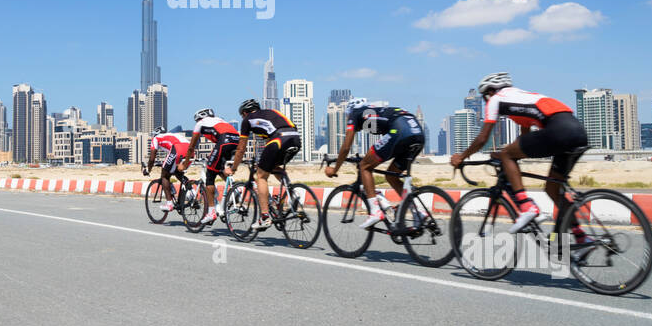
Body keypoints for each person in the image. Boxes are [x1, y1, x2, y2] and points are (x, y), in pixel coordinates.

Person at [450, 72, 592, 244]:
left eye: (485, 97)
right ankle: (581, 237)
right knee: (553, 189)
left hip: (559, 131)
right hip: (578, 133)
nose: (486, 100)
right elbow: (523, 141)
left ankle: (526, 206)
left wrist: (462, 156)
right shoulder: (523, 97)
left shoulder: (496, 99)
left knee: (507, 154)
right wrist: (508, 155)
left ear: (490, 92)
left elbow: (482, 138)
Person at [324, 98, 425, 228]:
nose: (348, 118)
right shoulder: (377, 113)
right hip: (418, 135)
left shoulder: (356, 113)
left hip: (399, 132)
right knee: (392, 176)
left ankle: (375, 212)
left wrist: (335, 169)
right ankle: (418, 213)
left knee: (364, 167)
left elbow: (346, 147)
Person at [225, 99, 300, 231]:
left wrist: (234, 167)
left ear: (244, 113)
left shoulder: (247, 119)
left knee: (260, 176)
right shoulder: (272, 112)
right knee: (274, 167)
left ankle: (265, 217)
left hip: (279, 139)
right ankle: (292, 192)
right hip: (295, 138)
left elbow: (241, 148)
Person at [180, 108, 241, 226]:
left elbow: (191, 147)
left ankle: (211, 212)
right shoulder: (220, 120)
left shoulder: (200, 123)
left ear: (199, 118)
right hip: (236, 141)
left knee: (210, 175)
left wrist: (185, 163)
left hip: (224, 141)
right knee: (218, 166)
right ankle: (236, 191)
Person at [143, 126, 190, 212]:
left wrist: (148, 169)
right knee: (177, 172)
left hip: (177, 149)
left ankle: (169, 203)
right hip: (190, 149)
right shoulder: (171, 135)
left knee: (164, 175)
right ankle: (192, 193)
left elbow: (152, 158)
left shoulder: (156, 138)